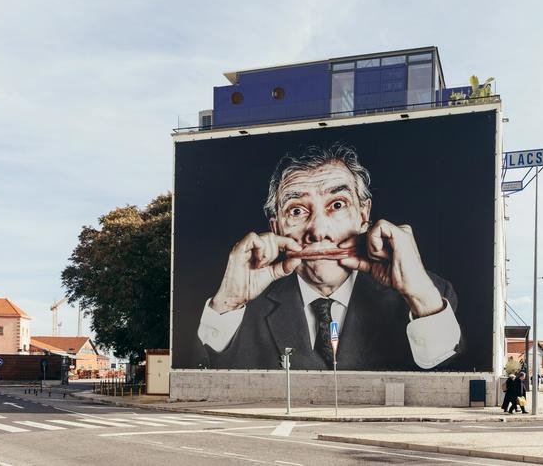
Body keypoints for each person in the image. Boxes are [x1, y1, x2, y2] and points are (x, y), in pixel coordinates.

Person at [196, 143, 462, 370]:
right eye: (297, 211)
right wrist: (227, 304)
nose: (319, 231)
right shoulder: (243, 303)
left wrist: (420, 297)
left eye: (337, 205)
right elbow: (202, 365)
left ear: (363, 215)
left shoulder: (430, 295)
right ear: (276, 228)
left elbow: (448, 371)